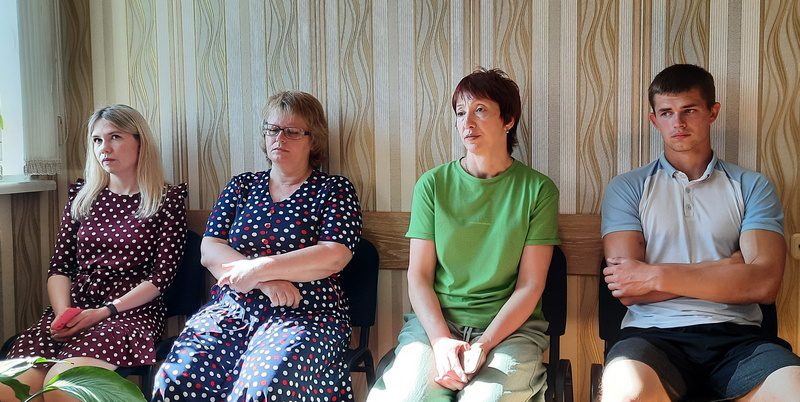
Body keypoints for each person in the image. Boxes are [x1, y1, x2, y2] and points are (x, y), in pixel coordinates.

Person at [600, 64, 800, 401]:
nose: (677, 122)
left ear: (712, 112)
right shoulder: (627, 187)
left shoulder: (752, 186)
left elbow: (764, 284)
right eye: (667, 113)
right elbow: (629, 288)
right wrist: (726, 268)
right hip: (651, 337)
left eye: (689, 110)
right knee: (624, 392)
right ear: (654, 120)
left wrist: (653, 275)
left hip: (738, 338)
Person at [152, 91, 362, 402]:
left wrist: (258, 268)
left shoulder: (334, 189)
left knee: (263, 385)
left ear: (313, 139)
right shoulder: (242, 185)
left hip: (306, 313)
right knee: (176, 378)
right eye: (272, 129)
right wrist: (263, 281)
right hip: (232, 309)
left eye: (292, 131)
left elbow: (334, 255)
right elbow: (210, 249)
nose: (280, 138)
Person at [367, 68, 560, 401]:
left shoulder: (538, 189)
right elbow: (419, 276)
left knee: (487, 398)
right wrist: (441, 340)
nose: (467, 123)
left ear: (508, 120)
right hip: (438, 322)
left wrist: (484, 344)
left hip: (510, 330)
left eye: (480, 110)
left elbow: (531, 284)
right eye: (460, 113)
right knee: (409, 396)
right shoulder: (432, 185)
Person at [0, 104, 188, 402]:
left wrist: (104, 312)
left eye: (115, 137)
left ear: (140, 141)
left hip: (129, 314)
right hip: (73, 310)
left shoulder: (167, 200)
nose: (104, 148)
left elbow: (160, 278)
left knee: (63, 389)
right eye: (97, 140)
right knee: (8, 389)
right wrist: (63, 314)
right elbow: (59, 267)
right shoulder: (82, 195)